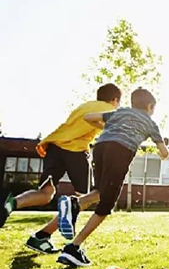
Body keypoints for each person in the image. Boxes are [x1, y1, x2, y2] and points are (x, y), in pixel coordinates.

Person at [0, 84, 121, 254]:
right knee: (83, 200)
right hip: (76, 151)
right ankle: (41, 236)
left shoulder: (84, 106)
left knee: (45, 194)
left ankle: (10, 204)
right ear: (115, 100)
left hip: (55, 146)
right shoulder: (108, 109)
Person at [56, 88, 169, 267]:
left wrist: (108, 128)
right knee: (107, 203)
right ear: (150, 106)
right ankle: (73, 246)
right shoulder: (150, 123)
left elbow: (88, 118)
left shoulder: (120, 112)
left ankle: (75, 208)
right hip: (120, 151)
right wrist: (163, 147)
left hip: (100, 147)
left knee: (101, 191)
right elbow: (164, 153)